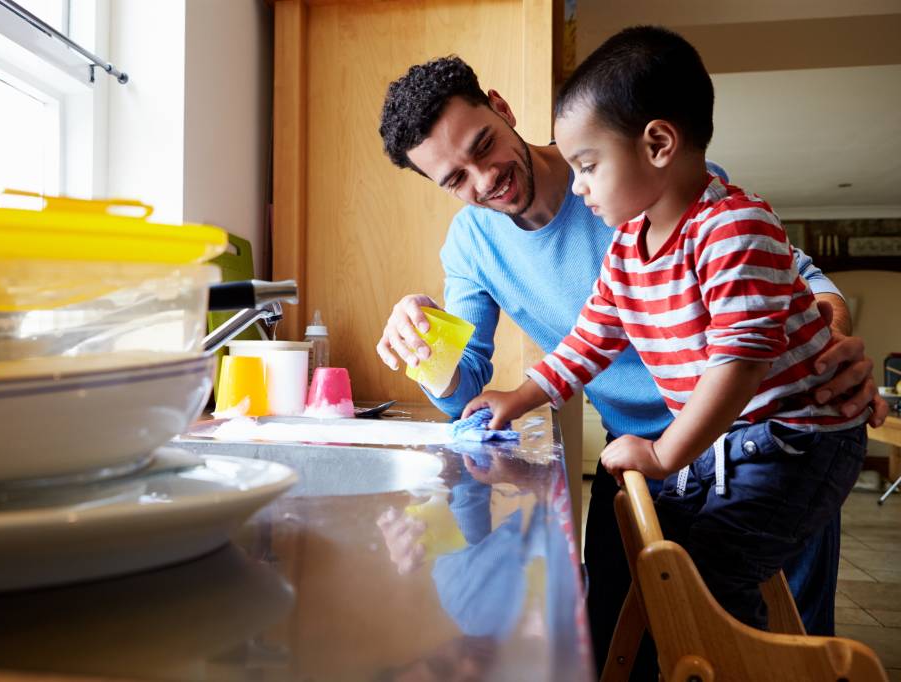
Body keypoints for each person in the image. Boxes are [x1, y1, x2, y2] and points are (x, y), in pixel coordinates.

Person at [375, 54, 887, 673]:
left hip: (766, 436)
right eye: (455, 179)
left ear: (502, 108)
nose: (483, 181)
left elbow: (790, 283)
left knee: (777, 629)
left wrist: (826, 347)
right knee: (629, 629)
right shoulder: (485, 243)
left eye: (484, 146)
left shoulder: (654, 181)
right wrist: (427, 346)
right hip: (644, 453)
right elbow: (495, 380)